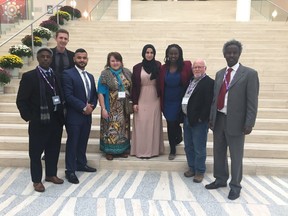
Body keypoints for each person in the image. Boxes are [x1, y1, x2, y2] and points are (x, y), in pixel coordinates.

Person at [205, 39, 259, 200]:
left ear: (239, 54)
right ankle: (220, 179)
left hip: (237, 121)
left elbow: (252, 102)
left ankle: (235, 185)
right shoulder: (220, 73)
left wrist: (249, 123)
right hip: (220, 118)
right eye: (228, 52)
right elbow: (215, 98)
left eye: (234, 52)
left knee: (236, 155)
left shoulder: (249, 74)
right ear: (224, 54)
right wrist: (212, 118)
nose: (231, 55)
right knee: (218, 152)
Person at [16, 47, 65, 192]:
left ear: (51, 59)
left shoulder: (55, 75)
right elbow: (21, 101)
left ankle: (51, 174)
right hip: (39, 121)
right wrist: (30, 117)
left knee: (53, 150)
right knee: (36, 153)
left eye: (48, 57)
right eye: (42, 56)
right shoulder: (29, 76)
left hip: (55, 121)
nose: (45, 59)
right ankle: (37, 180)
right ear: (38, 58)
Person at [62, 48, 98, 184]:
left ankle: (81, 163)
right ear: (74, 59)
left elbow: (93, 95)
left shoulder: (90, 76)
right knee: (73, 142)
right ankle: (70, 170)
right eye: (79, 58)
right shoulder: (67, 74)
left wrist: (92, 107)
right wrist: (83, 107)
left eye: (84, 58)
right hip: (74, 115)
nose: (82, 60)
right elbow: (68, 96)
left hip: (87, 115)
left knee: (83, 141)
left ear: (87, 60)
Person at [182, 59, 214, 183]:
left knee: (199, 148)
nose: (197, 69)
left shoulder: (209, 82)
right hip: (187, 118)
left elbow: (208, 103)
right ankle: (192, 168)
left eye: (200, 67)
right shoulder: (191, 81)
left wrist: (201, 118)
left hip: (199, 122)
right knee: (188, 146)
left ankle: (200, 171)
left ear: (205, 68)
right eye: (195, 67)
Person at [159, 44, 192, 160]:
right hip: (168, 101)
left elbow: (192, 79)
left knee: (177, 122)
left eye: (175, 53)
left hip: (181, 100)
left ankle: (178, 138)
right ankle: (172, 149)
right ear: (167, 54)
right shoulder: (163, 68)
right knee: (170, 123)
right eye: (171, 53)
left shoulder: (186, 66)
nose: (173, 56)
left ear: (179, 54)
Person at [131, 44, 164, 159]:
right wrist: (134, 102)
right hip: (141, 98)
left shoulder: (159, 65)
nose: (149, 55)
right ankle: (140, 150)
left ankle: (153, 151)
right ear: (143, 53)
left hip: (155, 98)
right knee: (141, 124)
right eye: (147, 52)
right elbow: (134, 86)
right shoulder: (136, 67)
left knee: (153, 124)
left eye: (151, 52)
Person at [98, 52, 132, 161]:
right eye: (112, 61)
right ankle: (109, 151)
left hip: (123, 107)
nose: (115, 63)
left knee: (123, 129)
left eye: (117, 60)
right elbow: (101, 92)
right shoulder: (105, 74)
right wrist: (103, 108)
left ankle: (122, 150)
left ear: (121, 61)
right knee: (111, 129)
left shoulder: (126, 72)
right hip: (111, 107)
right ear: (109, 62)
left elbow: (131, 87)